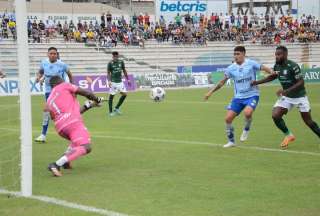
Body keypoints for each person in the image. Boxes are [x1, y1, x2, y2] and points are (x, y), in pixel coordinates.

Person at [204, 46, 273, 148]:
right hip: (238, 97)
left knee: (247, 112)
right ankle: (231, 141)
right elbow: (222, 82)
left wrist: (272, 72)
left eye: (238, 54)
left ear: (243, 54)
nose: (236, 56)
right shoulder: (231, 68)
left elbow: (263, 68)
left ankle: (246, 128)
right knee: (228, 119)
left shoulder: (251, 63)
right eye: (234, 54)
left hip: (252, 95)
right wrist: (210, 92)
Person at [251, 46, 320, 149]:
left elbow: (301, 82)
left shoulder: (293, 66)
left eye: (279, 54)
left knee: (309, 122)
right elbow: (272, 76)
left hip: (300, 97)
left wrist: (286, 91)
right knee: (275, 115)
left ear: (285, 55)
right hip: (287, 97)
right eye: (276, 54)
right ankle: (289, 135)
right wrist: (257, 82)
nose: (277, 56)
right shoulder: (277, 66)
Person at [46, 76, 103, 177]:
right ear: (61, 81)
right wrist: (97, 99)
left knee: (76, 140)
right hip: (72, 123)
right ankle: (56, 164)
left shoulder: (49, 99)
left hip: (60, 128)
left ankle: (66, 162)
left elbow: (69, 113)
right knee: (86, 147)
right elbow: (86, 93)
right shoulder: (64, 86)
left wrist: (88, 106)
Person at [35, 47, 73, 143]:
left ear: (57, 54)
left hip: (60, 91)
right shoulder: (44, 62)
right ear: (47, 54)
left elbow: (70, 74)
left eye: (54, 53)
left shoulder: (62, 64)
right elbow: (41, 71)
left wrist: (71, 87)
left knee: (54, 111)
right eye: (51, 53)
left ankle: (70, 131)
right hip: (48, 91)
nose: (53, 55)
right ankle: (43, 135)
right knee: (48, 111)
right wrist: (38, 78)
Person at [107, 51, 130, 117]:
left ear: (117, 56)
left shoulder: (121, 62)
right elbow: (108, 73)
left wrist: (128, 79)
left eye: (115, 56)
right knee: (111, 97)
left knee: (125, 94)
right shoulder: (110, 63)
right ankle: (110, 112)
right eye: (113, 56)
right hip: (113, 82)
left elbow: (124, 70)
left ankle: (116, 108)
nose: (114, 57)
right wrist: (109, 81)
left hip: (120, 82)